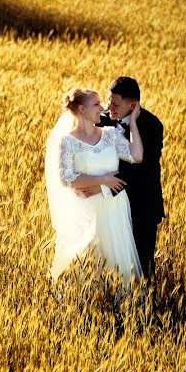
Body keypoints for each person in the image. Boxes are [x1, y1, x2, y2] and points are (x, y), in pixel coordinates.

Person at [44, 87, 144, 285]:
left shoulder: (110, 134)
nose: (103, 108)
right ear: (82, 109)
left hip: (114, 205)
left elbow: (136, 156)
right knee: (89, 258)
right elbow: (67, 178)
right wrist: (103, 180)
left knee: (117, 257)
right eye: (96, 104)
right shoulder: (68, 142)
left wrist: (132, 122)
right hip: (88, 208)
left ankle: (121, 302)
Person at [92, 77, 164, 277]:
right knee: (107, 262)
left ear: (132, 105)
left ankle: (146, 304)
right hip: (109, 206)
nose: (109, 107)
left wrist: (102, 186)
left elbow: (141, 167)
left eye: (115, 104)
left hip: (141, 204)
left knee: (142, 263)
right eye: (108, 101)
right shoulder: (101, 119)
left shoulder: (151, 125)